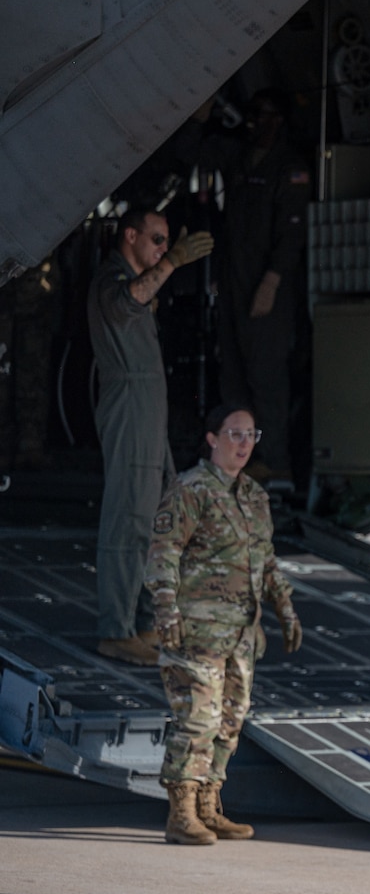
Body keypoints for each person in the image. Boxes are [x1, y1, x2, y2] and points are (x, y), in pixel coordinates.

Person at [145, 404, 302, 845]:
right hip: (197, 629)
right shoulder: (190, 490)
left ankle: (209, 805)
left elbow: (265, 559)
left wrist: (284, 607)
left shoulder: (253, 495)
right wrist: (165, 609)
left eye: (251, 435)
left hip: (240, 634)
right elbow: (164, 552)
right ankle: (181, 812)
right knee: (196, 719)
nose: (244, 444)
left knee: (229, 721)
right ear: (212, 439)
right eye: (235, 434)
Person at [89, 207, 214, 665]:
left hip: (147, 408)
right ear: (130, 235)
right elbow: (128, 301)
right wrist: (171, 263)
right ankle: (115, 630)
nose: (163, 248)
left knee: (157, 515)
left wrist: (164, 266)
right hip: (130, 405)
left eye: (166, 242)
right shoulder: (111, 282)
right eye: (156, 239)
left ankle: (142, 621)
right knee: (128, 519)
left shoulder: (133, 283)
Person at [182, 89, 311, 481]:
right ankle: (237, 457)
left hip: (266, 288)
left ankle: (274, 458)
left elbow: (292, 233)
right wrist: (200, 116)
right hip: (235, 284)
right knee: (234, 373)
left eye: (264, 114)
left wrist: (272, 281)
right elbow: (190, 153)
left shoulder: (289, 168)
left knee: (266, 376)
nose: (255, 121)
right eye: (252, 113)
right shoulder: (238, 157)